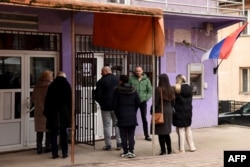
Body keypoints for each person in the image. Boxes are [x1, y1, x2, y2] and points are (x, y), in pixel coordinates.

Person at [43, 71, 72, 159]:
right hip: (63, 113)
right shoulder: (67, 85)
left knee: (54, 134)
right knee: (64, 134)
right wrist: (70, 113)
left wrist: (46, 113)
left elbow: (47, 100)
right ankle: (65, 152)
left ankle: (54, 153)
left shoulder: (51, 85)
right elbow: (69, 101)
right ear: (64, 76)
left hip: (53, 113)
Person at [113, 75, 140, 158]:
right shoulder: (134, 90)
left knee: (123, 135)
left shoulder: (117, 91)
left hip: (121, 115)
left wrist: (118, 114)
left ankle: (125, 151)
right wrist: (133, 111)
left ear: (121, 81)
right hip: (132, 115)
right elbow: (138, 102)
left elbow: (114, 104)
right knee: (131, 134)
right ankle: (131, 151)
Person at [95, 66, 121, 151]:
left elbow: (97, 95)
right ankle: (119, 143)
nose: (101, 73)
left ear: (106, 71)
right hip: (116, 106)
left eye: (102, 71)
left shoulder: (101, 81)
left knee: (107, 126)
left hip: (105, 107)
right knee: (117, 125)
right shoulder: (117, 80)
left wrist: (101, 103)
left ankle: (108, 145)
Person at [150, 74, 175, 155]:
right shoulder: (171, 89)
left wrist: (152, 110)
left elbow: (156, 103)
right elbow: (173, 102)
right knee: (166, 132)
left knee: (161, 132)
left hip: (160, 111)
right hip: (169, 111)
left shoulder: (158, 90)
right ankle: (170, 150)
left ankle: (163, 150)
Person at [31, 70, 53, 154]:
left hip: (38, 111)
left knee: (39, 131)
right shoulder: (49, 86)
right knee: (48, 130)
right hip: (48, 111)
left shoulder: (36, 86)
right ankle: (48, 146)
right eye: (51, 75)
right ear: (48, 77)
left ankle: (39, 148)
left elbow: (32, 99)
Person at [173, 74, 196, 153]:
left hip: (179, 111)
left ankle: (181, 149)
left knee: (180, 130)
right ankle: (192, 147)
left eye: (176, 79)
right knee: (188, 128)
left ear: (178, 80)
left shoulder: (177, 88)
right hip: (188, 110)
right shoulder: (190, 88)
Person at [129, 66, 152, 141]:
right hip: (133, 101)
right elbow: (128, 89)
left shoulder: (147, 80)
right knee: (132, 118)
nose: (138, 72)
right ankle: (132, 135)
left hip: (143, 101)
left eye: (139, 71)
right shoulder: (131, 79)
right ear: (135, 72)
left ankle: (147, 135)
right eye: (136, 71)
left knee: (144, 118)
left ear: (142, 71)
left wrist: (145, 98)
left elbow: (150, 91)